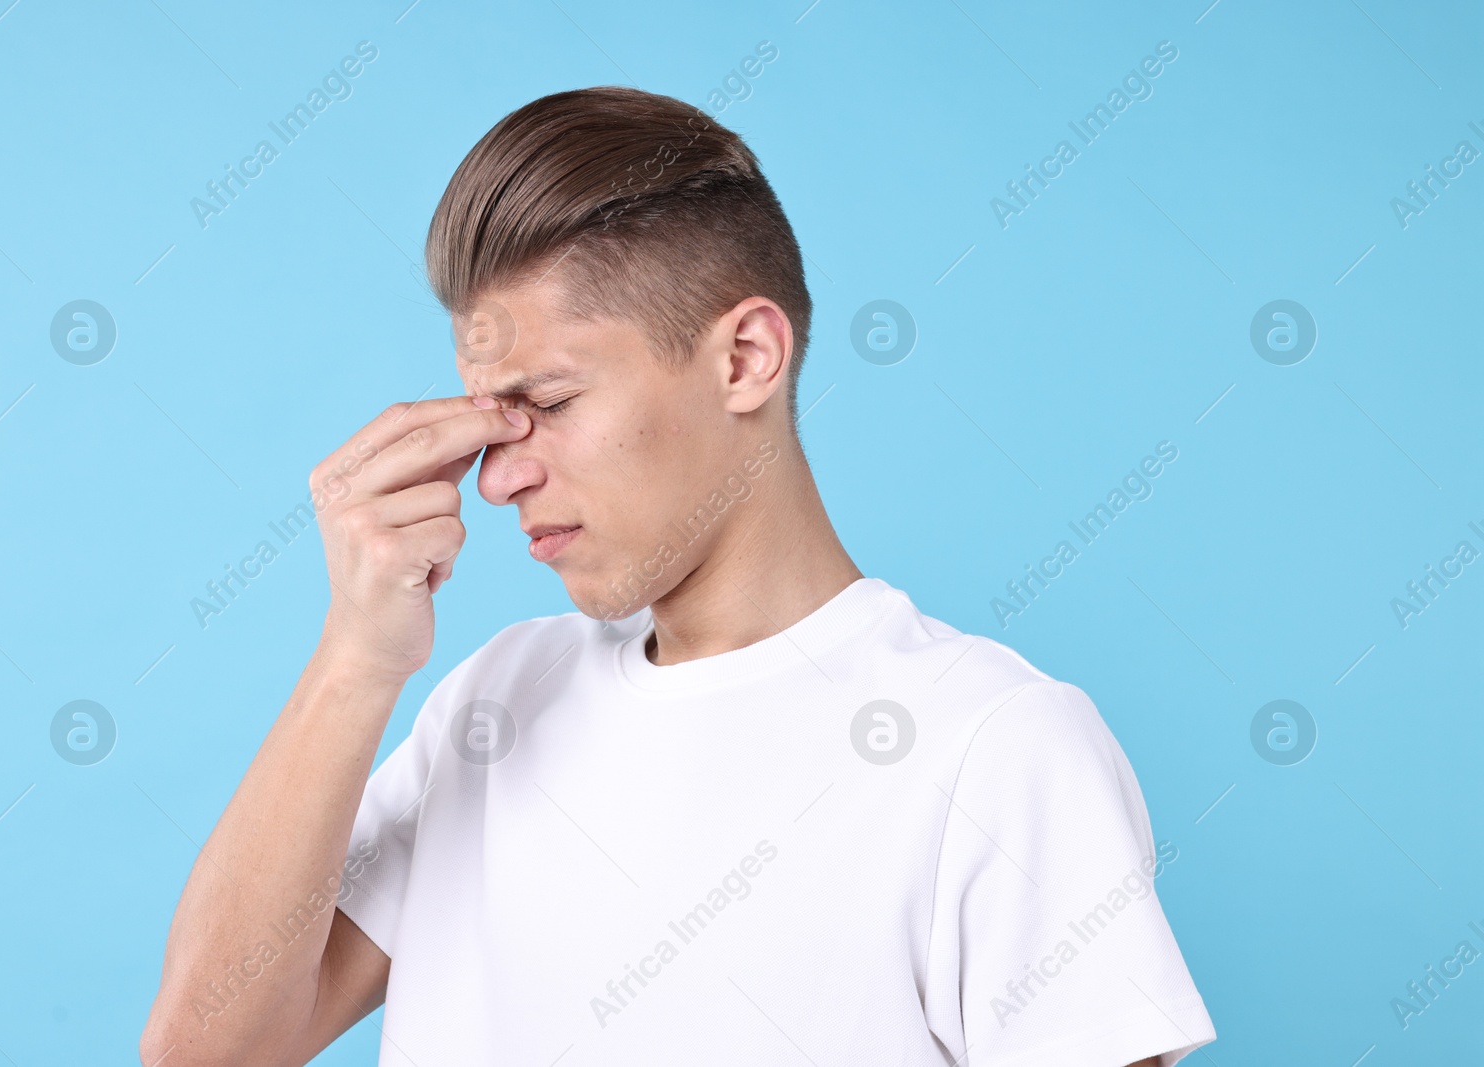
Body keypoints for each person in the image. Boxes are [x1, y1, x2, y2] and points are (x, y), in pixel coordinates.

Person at [140, 86, 1216, 1067]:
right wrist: (357, 656)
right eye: (488, 419)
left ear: (746, 357)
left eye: (549, 404)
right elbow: (204, 1050)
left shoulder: (994, 743)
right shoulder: (496, 697)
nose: (499, 474)